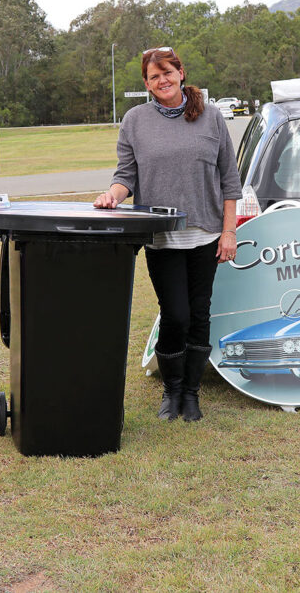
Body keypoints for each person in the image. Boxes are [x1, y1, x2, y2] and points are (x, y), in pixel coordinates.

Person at [95, 47, 241, 422]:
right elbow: (126, 175)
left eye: (168, 72)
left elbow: (229, 180)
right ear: (146, 83)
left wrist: (229, 232)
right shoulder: (135, 120)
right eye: (154, 76)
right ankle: (171, 390)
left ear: (180, 73)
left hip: (207, 234)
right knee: (175, 315)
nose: (162, 80)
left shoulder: (211, 117)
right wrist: (111, 196)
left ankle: (190, 394)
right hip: (162, 237)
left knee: (200, 314)